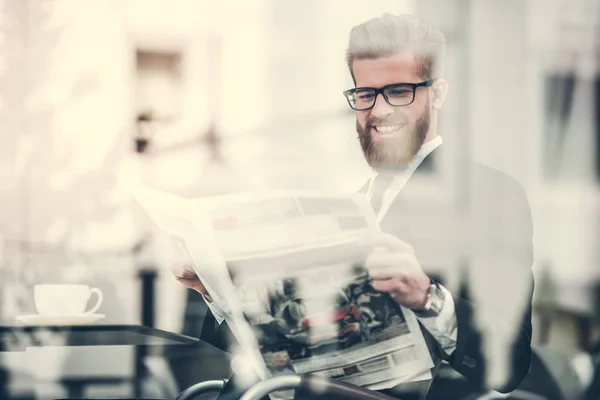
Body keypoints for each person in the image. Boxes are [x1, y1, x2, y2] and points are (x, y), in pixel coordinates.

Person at [172, 13, 535, 400]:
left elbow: (509, 361)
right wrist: (218, 291)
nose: (377, 111)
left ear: (439, 94)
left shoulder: (490, 195)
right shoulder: (351, 209)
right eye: (365, 95)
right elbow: (286, 345)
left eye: (398, 91)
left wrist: (426, 297)